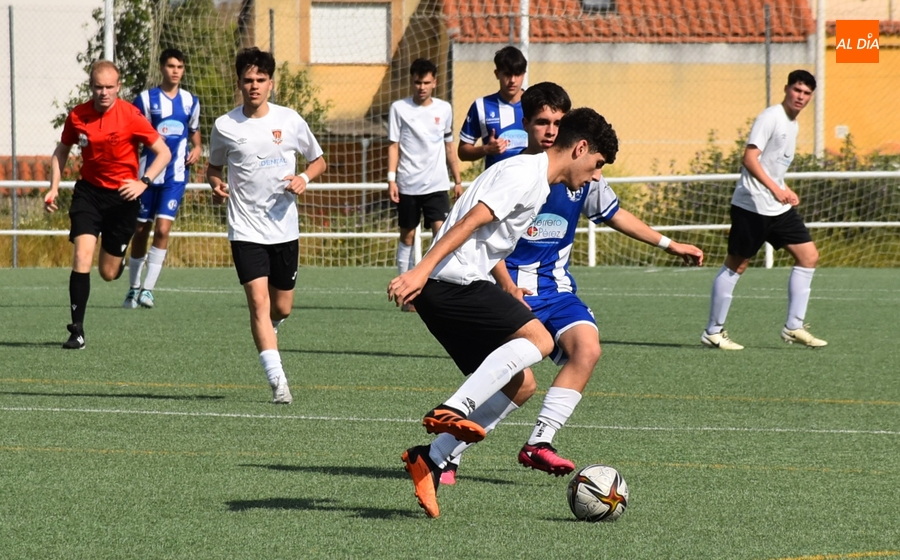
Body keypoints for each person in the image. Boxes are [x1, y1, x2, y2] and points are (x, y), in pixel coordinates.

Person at [436, 83, 704, 486]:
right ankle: (447, 451)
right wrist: (507, 286)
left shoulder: (583, 178)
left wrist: (670, 244)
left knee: (588, 348)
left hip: (556, 290)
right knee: (517, 383)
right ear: (525, 125)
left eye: (557, 123)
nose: (549, 130)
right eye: (541, 122)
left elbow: (616, 215)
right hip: (508, 290)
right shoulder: (515, 173)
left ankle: (539, 442)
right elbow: (488, 240)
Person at [388, 102, 619, 518]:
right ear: (580, 148)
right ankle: (454, 409)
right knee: (540, 339)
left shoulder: (537, 181)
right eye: (598, 164)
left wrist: (507, 286)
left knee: (523, 384)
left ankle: (431, 459)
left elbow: (488, 235)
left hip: (454, 284)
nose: (597, 175)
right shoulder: (525, 175)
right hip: (449, 282)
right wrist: (420, 271)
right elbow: (470, 221)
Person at [206, 47, 327, 404]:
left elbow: (318, 160)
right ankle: (279, 382)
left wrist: (304, 177)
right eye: (248, 80)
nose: (254, 86)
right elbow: (213, 168)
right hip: (245, 229)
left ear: (271, 84)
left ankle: (269, 332)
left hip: (284, 229)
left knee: (281, 308)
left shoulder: (290, 120)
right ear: (239, 83)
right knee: (257, 305)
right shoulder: (224, 126)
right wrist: (215, 184)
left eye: (260, 79)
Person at [44, 60, 171, 350]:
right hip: (88, 194)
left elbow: (162, 152)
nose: (103, 92)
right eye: (98, 87)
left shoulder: (132, 116)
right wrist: (53, 188)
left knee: (109, 273)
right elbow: (61, 151)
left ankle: (118, 256)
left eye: (109, 87)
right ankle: (77, 330)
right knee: (82, 256)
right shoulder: (78, 116)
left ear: (119, 87)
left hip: (123, 198)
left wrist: (144, 182)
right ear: (91, 87)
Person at [702, 70, 826, 351]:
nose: (801, 97)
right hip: (751, 206)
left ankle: (794, 326)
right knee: (737, 265)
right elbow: (749, 158)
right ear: (786, 89)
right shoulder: (770, 117)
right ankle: (713, 331)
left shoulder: (792, 124)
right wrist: (775, 189)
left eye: (806, 93)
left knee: (809, 256)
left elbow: (773, 165)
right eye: (797, 90)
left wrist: (784, 187)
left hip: (777, 208)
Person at [124, 48, 202, 309]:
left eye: (180, 66)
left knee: (163, 229)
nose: (176, 71)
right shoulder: (146, 100)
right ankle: (133, 288)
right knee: (140, 229)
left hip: (175, 177)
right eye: (171, 66)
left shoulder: (191, 101)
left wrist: (198, 148)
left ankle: (148, 290)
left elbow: (194, 131)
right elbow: (133, 136)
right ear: (161, 68)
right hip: (147, 176)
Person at [387, 58, 462, 312]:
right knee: (407, 235)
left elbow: (449, 146)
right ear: (412, 82)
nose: (422, 87)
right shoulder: (399, 108)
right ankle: (404, 294)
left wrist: (457, 180)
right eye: (418, 82)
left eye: (426, 82)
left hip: (437, 185)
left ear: (435, 82)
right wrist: (391, 179)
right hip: (408, 184)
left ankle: (434, 290)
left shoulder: (445, 108)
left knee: (441, 236)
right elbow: (394, 145)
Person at [457, 45, 528, 169]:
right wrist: (486, 149)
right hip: (497, 186)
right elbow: (462, 152)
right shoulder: (481, 106)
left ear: (523, 75)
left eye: (517, 74)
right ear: (497, 74)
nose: (512, 80)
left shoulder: (536, 104)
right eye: (507, 74)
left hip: (531, 185)